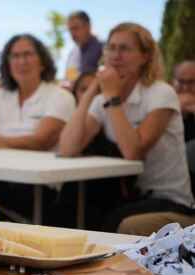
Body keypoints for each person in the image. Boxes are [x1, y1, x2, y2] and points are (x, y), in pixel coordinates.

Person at [59, 22, 195, 232]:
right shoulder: (103, 98)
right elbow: (68, 149)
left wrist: (113, 98)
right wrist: (91, 91)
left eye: (125, 48)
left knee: (120, 223)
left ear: (145, 56)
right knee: (71, 206)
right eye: (111, 48)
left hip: (169, 200)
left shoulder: (160, 93)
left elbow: (133, 152)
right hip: (126, 195)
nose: (115, 55)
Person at [0, 33, 75, 150]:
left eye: (28, 54)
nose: (22, 61)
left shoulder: (61, 97)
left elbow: (41, 141)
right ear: (8, 65)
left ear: (42, 63)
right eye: (15, 56)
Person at [65, 11, 103, 82]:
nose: (72, 33)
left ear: (88, 26)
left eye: (75, 28)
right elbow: (69, 79)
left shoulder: (103, 49)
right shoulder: (72, 54)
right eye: (70, 30)